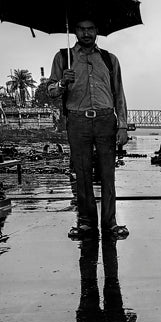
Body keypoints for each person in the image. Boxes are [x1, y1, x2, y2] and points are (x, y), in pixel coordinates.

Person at [49, 18, 129, 240]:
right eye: (81, 29)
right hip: (77, 120)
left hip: (105, 119)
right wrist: (62, 83)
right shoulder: (63, 58)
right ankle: (85, 223)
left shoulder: (110, 59)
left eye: (90, 28)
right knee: (82, 174)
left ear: (97, 31)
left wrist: (122, 125)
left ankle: (110, 223)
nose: (86, 33)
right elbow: (51, 90)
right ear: (74, 31)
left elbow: (119, 94)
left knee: (107, 174)